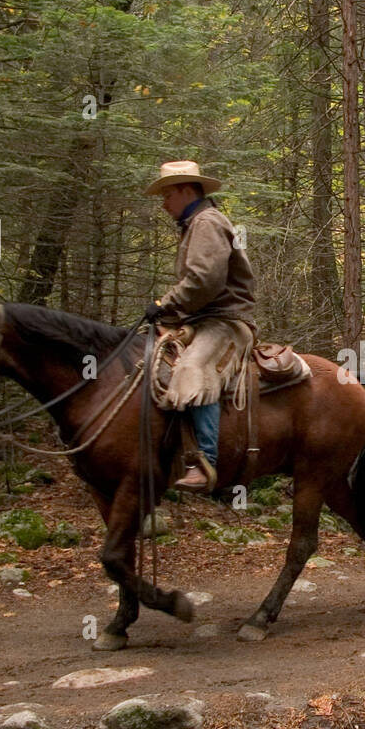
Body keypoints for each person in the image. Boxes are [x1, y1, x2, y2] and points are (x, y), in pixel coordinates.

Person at [143, 160, 256, 492]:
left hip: (225, 322)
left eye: (167, 195)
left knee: (194, 367)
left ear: (184, 190)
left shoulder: (206, 222)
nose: (164, 204)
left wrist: (166, 304)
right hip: (200, 319)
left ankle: (203, 461)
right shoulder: (196, 223)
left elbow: (204, 281)